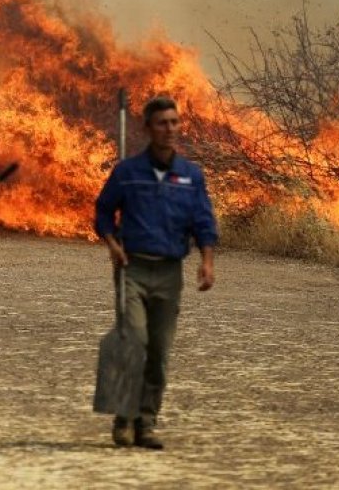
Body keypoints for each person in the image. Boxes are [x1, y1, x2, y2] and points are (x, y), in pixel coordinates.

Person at [94, 95, 218, 450]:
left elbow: (203, 221)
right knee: (134, 341)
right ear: (148, 128)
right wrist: (112, 245)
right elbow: (103, 211)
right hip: (132, 268)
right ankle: (124, 419)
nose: (170, 129)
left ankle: (146, 423)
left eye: (175, 122)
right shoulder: (127, 173)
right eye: (162, 123)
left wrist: (207, 262)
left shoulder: (190, 176)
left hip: (169, 273)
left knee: (159, 354)